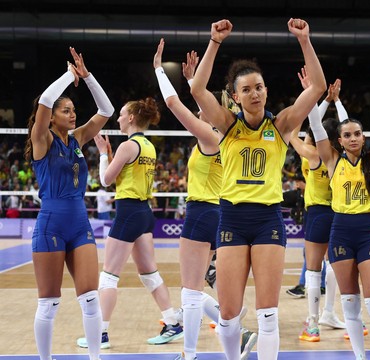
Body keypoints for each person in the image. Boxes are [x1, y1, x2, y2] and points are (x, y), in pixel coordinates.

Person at [190, 18, 327, 359]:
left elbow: (318, 87)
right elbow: (196, 89)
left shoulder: (281, 125)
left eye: (259, 87)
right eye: (247, 89)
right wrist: (214, 42)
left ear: (266, 90)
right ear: (235, 96)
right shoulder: (226, 124)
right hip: (232, 220)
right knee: (228, 313)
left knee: (268, 314)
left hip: (267, 220)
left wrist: (305, 41)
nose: (255, 93)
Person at [153, 39, 257, 360]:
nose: (202, 110)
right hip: (222, 213)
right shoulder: (229, 138)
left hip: (202, 211)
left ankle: (189, 354)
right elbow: (198, 103)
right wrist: (190, 80)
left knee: (190, 291)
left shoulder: (211, 137)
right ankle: (238, 333)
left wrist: (158, 69)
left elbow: (173, 105)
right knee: (203, 282)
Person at [309, 61, 370, 360]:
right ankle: (361, 357)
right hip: (340, 231)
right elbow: (314, 125)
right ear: (339, 140)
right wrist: (312, 97)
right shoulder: (331, 160)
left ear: (364, 137)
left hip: (367, 232)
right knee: (350, 303)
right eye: (347, 134)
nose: (352, 138)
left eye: (357, 134)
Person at [28, 47, 114, 360]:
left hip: (80, 224)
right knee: (49, 303)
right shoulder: (42, 139)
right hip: (51, 224)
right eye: (66, 110)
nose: (72, 113)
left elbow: (106, 110)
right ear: (51, 117)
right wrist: (68, 75)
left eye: (73, 109)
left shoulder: (76, 139)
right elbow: (44, 102)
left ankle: (94, 357)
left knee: (91, 299)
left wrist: (87, 76)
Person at [78, 96, 183, 348]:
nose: (119, 118)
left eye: (123, 114)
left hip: (128, 212)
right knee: (149, 273)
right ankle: (172, 322)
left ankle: (100, 334)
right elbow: (126, 174)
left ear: (132, 118)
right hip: (144, 212)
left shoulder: (128, 146)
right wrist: (113, 156)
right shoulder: (148, 146)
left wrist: (104, 154)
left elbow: (105, 180)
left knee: (109, 277)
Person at [289, 73, 347, 342]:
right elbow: (342, 126)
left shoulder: (312, 154)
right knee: (334, 264)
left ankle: (313, 323)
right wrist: (335, 101)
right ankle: (330, 313)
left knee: (313, 269)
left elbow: (296, 132)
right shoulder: (344, 157)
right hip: (338, 212)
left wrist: (317, 100)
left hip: (318, 213)